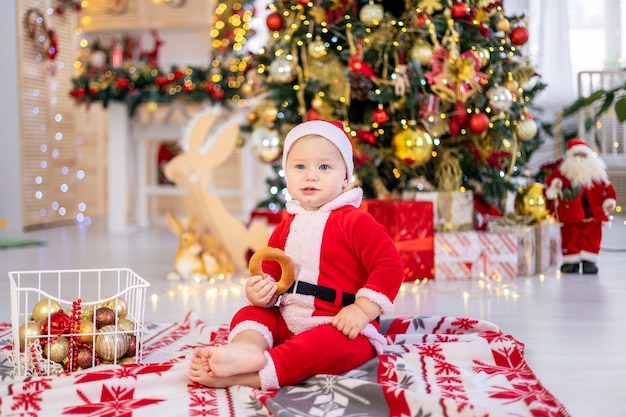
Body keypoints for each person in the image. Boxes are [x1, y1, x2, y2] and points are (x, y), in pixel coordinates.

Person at [189, 120, 404, 389]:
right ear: (287, 175)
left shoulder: (356, 222)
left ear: (346, 178)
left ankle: (249, 376)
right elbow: (271, 273)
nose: (310, 175)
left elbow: (389, 266)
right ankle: (246, 350)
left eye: (324, 167)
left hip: (340, 323)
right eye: (300, 166)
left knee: (326, 347)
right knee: (250, 314)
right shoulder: (286, 227)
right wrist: (261, 292)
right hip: (288, 319)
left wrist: (362, 311)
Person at [545, 138, 617, 274]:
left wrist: (608, 203)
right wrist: (555, 185)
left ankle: (589, 261)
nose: (580, 159)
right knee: (570, 236)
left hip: (592, 214)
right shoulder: (564, 173)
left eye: (583, 155)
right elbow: (551, 182)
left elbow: (608, 191)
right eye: (576, 156)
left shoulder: (598, 175)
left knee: (592, 237)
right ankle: (570, 261)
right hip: (570, 212)